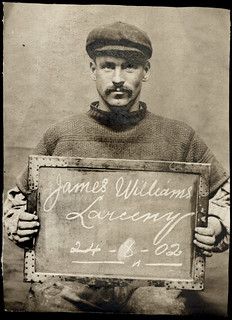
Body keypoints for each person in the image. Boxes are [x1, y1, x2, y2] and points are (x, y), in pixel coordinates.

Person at [4, 21, 230, 314]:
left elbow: (225, 196)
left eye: (130, 67)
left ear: (145, 71)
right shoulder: (61, 134)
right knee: (48, 302)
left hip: (151, 282)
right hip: (71, 280)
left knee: (160, 308)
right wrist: (18, 222)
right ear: (92, 69)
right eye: (108, 66)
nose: (118, 78)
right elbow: (17, 202)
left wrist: (216, 224)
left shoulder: (180, 137)